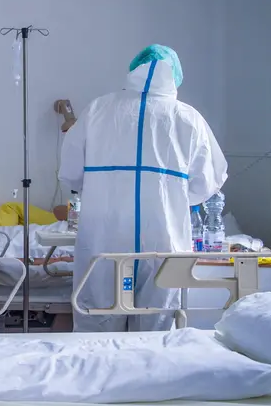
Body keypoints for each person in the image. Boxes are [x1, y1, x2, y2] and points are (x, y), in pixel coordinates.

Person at [59, 44, 227, 332]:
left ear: (134, 69)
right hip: (164, 234)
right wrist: (173, 195)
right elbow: (208, 181)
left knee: (96, 319)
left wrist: (100, 187)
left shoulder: (99, 109)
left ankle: (96, 375)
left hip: (104, 234)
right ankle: (151, 376)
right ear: (175, 75)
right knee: (157, 323)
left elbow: (71, 173)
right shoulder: (188, 118)